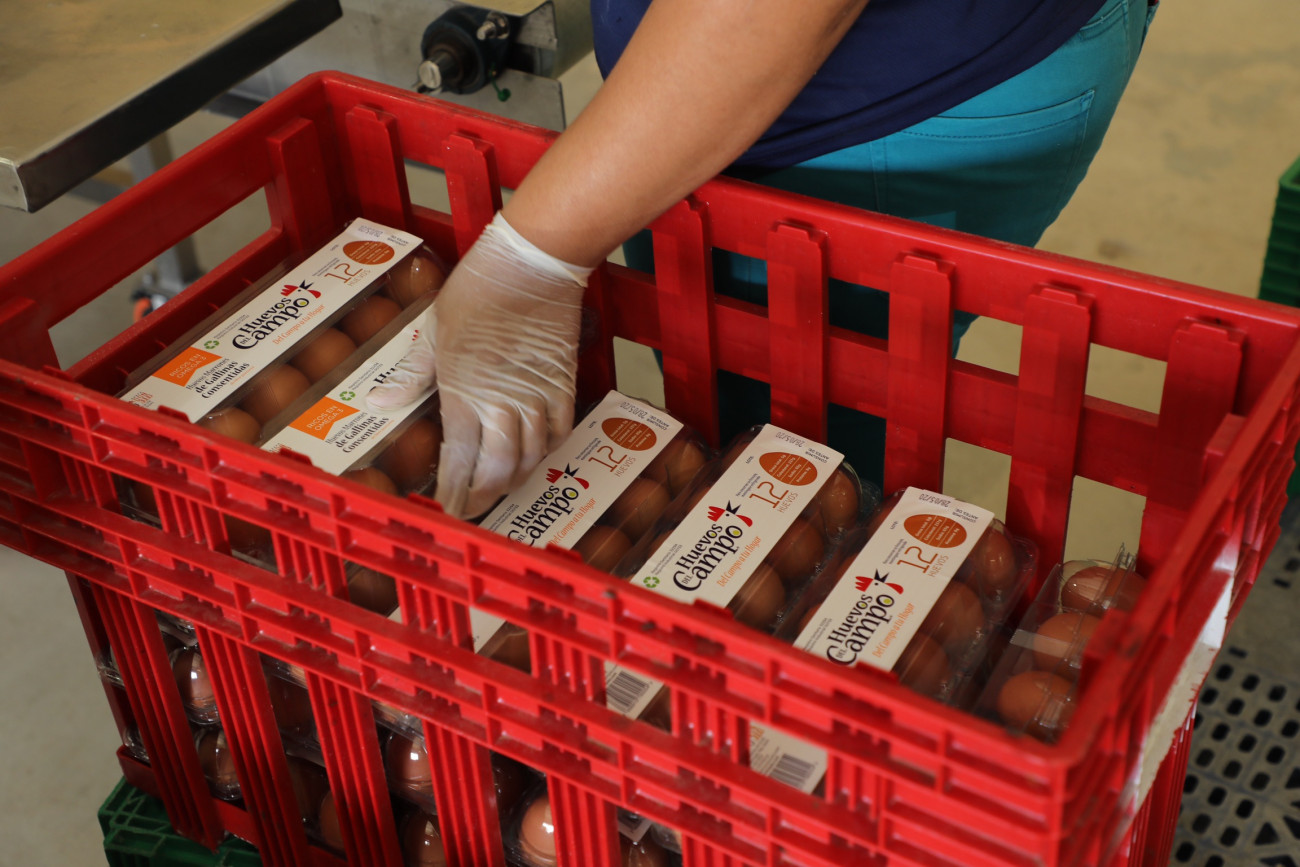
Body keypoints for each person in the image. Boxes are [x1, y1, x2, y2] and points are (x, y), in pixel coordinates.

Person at [368, 0, 1159, 519]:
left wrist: (533, 256)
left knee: (786, 487)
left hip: (864, 100)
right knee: (771, 453)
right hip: (848, 66)